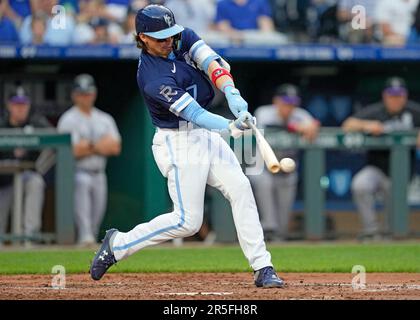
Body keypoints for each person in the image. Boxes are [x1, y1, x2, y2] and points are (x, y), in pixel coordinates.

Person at [89, 4, 284, 288]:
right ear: (142, 37)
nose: (168, 41)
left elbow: (212, 64)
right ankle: (118, 244)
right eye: (160, 38)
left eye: (170, 35)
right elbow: (194, 113)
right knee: (187, 222)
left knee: (241, 188)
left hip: (204, 136)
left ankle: (263, 266)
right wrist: (229, 126)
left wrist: (232, 93)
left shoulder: (183, 37)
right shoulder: (151, 77)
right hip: (178, 142)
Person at [342, 76, 420, 240]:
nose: (396, 99)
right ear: (385, 96)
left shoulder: (413, 111)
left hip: (402, 172)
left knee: (394, 216)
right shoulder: (376, 111)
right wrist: (367, 125)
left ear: (405, 96)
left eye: (399, 95)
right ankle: (372, 231)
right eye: (392, 95)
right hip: (376, 168)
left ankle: (391, 235)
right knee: (360, 184)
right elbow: (348, 124)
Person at [249, 84, 320, 241]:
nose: (289, 106)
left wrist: (311, 128)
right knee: (264, 183)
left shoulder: (300, 114)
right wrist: (295, 127)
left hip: (287, 168)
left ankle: (278, 234)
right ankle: (268, 228)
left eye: (292, 102)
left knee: (283, 217)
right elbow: (267, 128)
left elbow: (314, 126)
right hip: (263, 167)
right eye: (285, 102)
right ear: (276, 101)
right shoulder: (264, 112)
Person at [57, 74, 121, 246]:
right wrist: (99, 145)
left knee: (97, 216)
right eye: (81, 93)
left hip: (99, 172)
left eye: (88, 93)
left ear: (94, 94)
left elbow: (115, 147)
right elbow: (73, 150)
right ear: (74, 95)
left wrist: (89, 146)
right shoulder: (68, 119)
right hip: (79, 172)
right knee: (84, 220)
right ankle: (84, 238)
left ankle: (88, 240)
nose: (85, 97)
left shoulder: (104, 118)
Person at [0, 86, 52, 245]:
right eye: (16, 104)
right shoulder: (2, 123)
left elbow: (56, 142)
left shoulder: (37, 122)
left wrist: (39, 167)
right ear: (9, 105)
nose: (20, 108)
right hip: (3, 181)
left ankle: (30, 238)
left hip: (26, 176)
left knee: (35, 182)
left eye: (23, 104)